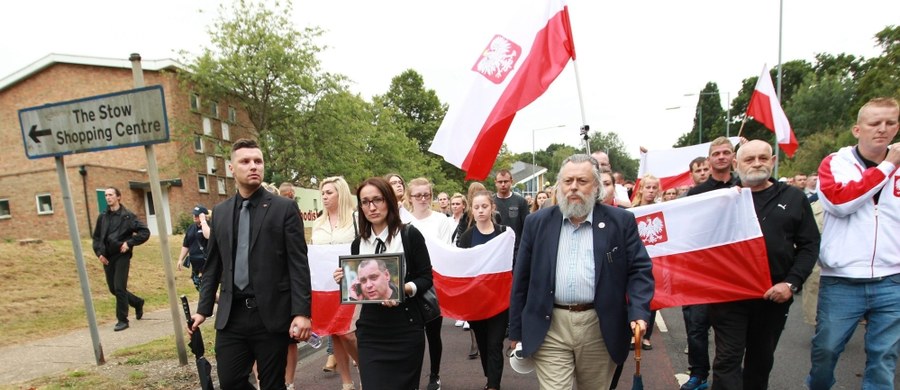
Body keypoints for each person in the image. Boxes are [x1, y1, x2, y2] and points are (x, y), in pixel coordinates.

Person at [509, 154, 654, 389]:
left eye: (582, 181)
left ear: (596, 186)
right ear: (559, 185)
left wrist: (638, 312)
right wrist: (515, 329)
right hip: (550, 326)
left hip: (599, 326)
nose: (573, 187)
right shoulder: (537, 223)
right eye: (567, 181)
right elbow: (521, 279)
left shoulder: (621, 222)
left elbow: (639, 270)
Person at [188, 139, 312, 390]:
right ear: (232, 168)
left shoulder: (284, 208)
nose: (253, 166)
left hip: (271, 315)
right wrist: (202, 310)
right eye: (245, 161)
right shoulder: (220, 212)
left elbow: (298, 264)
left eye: (258, 161)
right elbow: (213, 265)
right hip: (232, 315)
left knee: (272, 384)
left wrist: (302, 312)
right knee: (231, 381)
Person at [707, 140, 818, 389]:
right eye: (749, 159)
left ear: (773, 161)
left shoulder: (794, 198)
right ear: (737, 164)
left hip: (773, 297)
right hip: (729, 298)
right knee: (727, 361)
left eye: (762, 158)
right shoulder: (721, 200)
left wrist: (791, 283)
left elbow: (810, 245)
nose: (757, 163)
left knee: (760, 361)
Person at [807, 97, 900, 389]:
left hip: (892, 279)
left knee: (884, 357)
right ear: (857, 129)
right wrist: (887, 167)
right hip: (843, 280)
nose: (882, 129)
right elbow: (839, 202)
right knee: (826, 351)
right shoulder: (835, 163)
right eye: (874, 123)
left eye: (890, 123)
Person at [332, 177, 434, 390]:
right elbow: (358, 289)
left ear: (388, 200)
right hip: (371, 330)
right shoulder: (358, 243)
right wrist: (346, 279)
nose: (372, 207)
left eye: (377, 199)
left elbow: (426, 278)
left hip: (405, 326)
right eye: (365, 201)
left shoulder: (409, 235)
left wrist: (403, 289)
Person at [680, 137, 738, 390]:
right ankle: (699, 373)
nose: (721, 157)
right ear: (710, 157)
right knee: (696, 325)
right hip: (701, 272)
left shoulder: (744, 188)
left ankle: (730, 373)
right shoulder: (695, 195)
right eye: (717, 153)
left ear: (733, 157)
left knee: (732, 329)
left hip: (734, 272)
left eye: (727, 152)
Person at [456, 190, 511, 390]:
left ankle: (493, 385)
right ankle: (491, 376)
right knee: (483, 342)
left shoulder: (504, 233)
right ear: (471, 209)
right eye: (477, 207)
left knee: (495, 344)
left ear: (492, 208)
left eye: (484, 206)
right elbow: (462, 267)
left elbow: (512, 263)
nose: (480, 211)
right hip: (476, 302)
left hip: (499, 301)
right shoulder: (467, 237)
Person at [312, 176, 360, 388]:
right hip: (325, 287)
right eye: (322, 192)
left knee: (349, 333)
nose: (324, 196)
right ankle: (346, 382)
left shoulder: (356, 218)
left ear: (341, 194)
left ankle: (364, 364)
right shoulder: (317, 222)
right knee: (336, 333)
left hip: (352, 281)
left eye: (329, 192)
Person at [406, 177, 452, 390]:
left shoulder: (442, 220)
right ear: (410, 198)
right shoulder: (403, 220)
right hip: (408, 284)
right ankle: (411, 378)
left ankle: (435, 375)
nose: (423, 199)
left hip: (433, 283)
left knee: (433, 333)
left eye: (427, 195)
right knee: (411, 336)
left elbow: (446, 251)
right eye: (418, 195)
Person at [92, 187, 151, 332]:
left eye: (111, 195)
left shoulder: (128, 216)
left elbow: (145, 232)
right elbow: (97, 237)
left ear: (118, 197)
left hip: (122, 255)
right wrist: (99, 253)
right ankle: (137, 302)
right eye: (106, 195)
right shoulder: (103, 216)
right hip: (107, 256)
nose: (108, 197)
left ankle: (122, 320)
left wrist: (129, 243)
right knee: (113, 289)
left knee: (119, 287)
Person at [493, 169, 529, 255]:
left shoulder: (520, 201)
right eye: (500, 182)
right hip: (496, 248)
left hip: (516, 249)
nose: (503, 184)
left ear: (511, 181)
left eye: (506, 181)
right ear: (495, 182)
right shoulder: (490, 202)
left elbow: (526, 227)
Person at [177, 205, 210, 292]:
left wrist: (203, 221)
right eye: (194, 214)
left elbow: (208, 235)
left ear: (203, 216)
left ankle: (220, 302)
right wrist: (180, 259)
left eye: (197, 215)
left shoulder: (209, 226)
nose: (194, 216)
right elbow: (186, 245)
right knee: (200, 289)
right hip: (195, 265)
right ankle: (221, 302)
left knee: (206, 291)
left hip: (208, 264)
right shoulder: (191, 228)